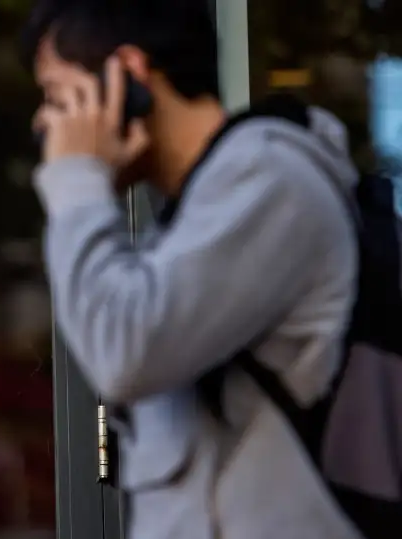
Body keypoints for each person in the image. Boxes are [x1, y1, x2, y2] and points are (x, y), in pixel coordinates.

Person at [23, 0, 366, 538]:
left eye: (55, 94)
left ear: (128, 74)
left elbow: (124, 350)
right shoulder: (195, 217)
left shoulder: (268, 182)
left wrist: (75, 181)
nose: (46, 122)